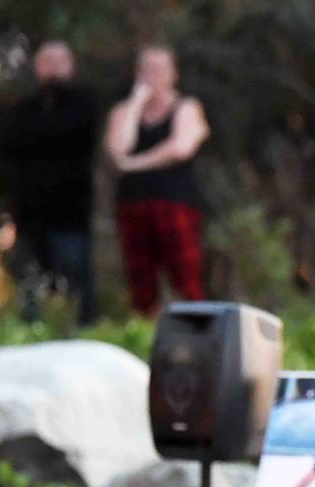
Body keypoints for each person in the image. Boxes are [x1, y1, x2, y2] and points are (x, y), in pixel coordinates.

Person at [104, 45, 210, 315]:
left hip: (175, 203)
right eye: (146, 69)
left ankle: (196, 332)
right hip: (133, 204)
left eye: (159, 69)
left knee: (186, 279)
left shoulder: (187, 106)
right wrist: (136, 104)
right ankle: (144, 334)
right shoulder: (123, 111)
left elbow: (180, 148)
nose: (152, 75)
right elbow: (118, 150)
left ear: (173, 74)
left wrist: (135, 164)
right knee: (141, 284)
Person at [0, 40, 98, 325]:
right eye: (47, 62)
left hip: (70, 213)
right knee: (30, 281)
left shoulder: (84, 102)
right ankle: (30, 335)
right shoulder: (24, 107)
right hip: (29, 213)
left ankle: (83, 333)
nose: (53, 69)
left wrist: (40, 139)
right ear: (37, 67)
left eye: (59, 61)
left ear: (71, 66)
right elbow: (7, 145)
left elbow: (73, 136)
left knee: (76, 282)